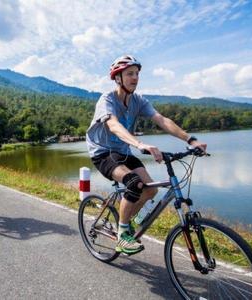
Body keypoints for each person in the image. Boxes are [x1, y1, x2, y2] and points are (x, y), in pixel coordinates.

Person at [86, 55, 207, 255]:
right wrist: (140, 144)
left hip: (123, 152)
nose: (135, 78)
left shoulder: (138, 100)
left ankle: (124, 222)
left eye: (137, 74)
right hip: (103, 153)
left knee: (150, 190)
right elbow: (114, 125)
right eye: (129, 74)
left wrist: (190, 140)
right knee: (134, 183)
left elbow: (161, 119)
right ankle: (122, 236)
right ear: (118, 78)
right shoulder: (106, 100)